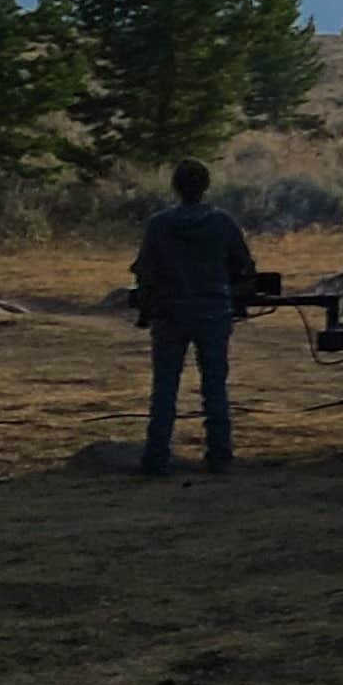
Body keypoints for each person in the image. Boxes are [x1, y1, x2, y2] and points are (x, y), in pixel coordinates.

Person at [134, 158, 258, 476]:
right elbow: (244, 267)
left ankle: (156, 457)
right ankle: (219, 454)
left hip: (170, 313)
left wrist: (148, 307)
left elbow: (146, 271)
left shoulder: (160, 224)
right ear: (206, 186)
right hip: (213, 312)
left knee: (164, 387)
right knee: (214, 386)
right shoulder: (222, 223)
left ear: (175, 186)